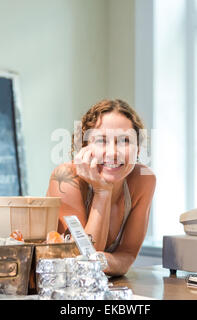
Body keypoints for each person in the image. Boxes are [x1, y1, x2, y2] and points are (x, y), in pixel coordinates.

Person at [46, 99, 156, 276]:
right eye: (101, 141)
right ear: (84, 146)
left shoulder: (144, 180)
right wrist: (102, 191)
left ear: (138, 149)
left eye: (125, 141)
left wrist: (104, 261)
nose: (113, 153)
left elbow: (127, 256)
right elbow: (84, 265)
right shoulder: (65, 178)